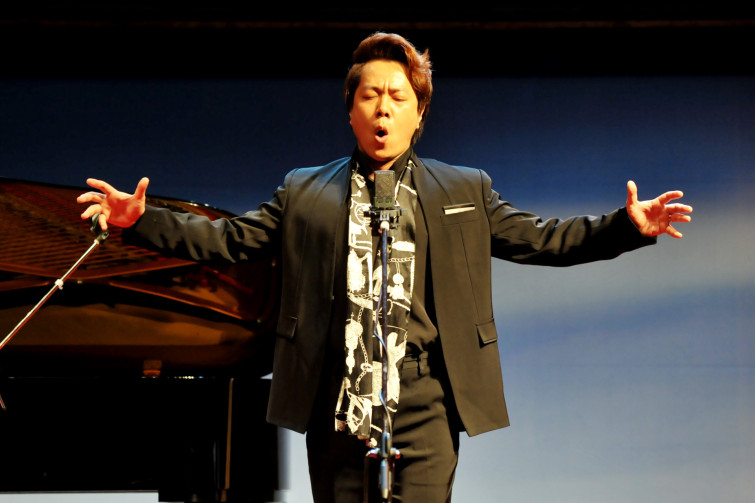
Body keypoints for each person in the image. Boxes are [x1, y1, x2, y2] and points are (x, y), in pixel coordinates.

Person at [77, 32, 692, 503]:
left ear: (419, 113)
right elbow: (231, 240)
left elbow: (543, 240)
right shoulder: (306, 191)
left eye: (398, 98)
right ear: (350, 109)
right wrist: (141, 221)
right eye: (370, 96)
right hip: (337, 401)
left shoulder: (464, 189)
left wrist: (626, 226)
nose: (383, 110)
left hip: (426, 399)